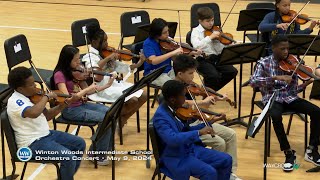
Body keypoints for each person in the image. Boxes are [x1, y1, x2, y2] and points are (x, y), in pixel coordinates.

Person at [250, 35, 320, 172]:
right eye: (282, 49)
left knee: (317, 111)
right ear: (273, 48)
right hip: (272, 98)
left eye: (287, 48)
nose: (286, 52)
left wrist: (306, 83)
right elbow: (253, 82)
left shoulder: (293, 62)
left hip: (290, 97)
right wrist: (275, 78)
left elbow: (295, 89)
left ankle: (312, 149)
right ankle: (288, 152)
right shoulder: (263, 63)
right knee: (275, 116)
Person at [7, 67, 86, 180]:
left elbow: (47, 116)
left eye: (34, 82)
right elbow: (34, 113)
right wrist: (46, 97)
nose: (35, 86)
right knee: (68, 158)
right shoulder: (15, 101)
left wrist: (65, 104)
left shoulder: (33, 98)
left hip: (46, 135)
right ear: (20, 89)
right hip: (32, 144)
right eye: (31, 85)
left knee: (79, 143)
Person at [173, 54, 240, 180]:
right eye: (190, 73)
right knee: (219, 142)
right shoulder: (172, 88)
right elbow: (182, 104)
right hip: (188, 128)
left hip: (197, 120)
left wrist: (216, 97)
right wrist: (203, 102)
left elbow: (201, 91)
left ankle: (230, 173)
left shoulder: (188, 83)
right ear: (180, 74)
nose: (193, 76)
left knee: (231, 134)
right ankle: (216, 175)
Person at [153, 80, 232, 180]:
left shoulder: (174, 108)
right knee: (210, 172)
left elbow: (186, 130)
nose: (185, 99)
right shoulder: (161, 117)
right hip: (175, 156)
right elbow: (172, 139)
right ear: (173, 99)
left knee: (226, 159)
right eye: (183, 96)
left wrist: (210, 122)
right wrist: (199, 132)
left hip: (189, 149)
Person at [51, 45, 114, 166]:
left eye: (79, 58)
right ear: (67, 61)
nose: (79, 62)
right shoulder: (59, 75)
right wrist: (85, 91)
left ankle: (101, 148)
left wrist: (105, 86)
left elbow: (88, 90)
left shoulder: (76, 72)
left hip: (81, 105)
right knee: (106, 118)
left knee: (111, 112)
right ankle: (96, 153)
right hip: (70, 110)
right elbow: (67, 99)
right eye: (76, 60)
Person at [82, 22, 147, 128]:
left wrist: (139, 63)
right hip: (102, 89)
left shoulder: (105, 53)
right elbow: (94, 70)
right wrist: (108, 58)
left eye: (106, 40)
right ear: (94, 42)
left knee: (144, 95)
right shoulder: (89, 57)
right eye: (103, 42)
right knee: (133, 100)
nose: (106, 44)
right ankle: (111, 119)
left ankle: (122, 118)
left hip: (116, 85)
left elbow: (124, 67)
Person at [190, 7, 238, 91]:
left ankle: (210, 91)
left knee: (232, 71)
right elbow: (196, 46)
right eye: (208, 21)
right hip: (202, 59)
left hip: (217, 58)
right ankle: (209, 93)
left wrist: (228, 46)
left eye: (212, 20)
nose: (211, 23)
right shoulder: (195, 32)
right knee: (213, 76)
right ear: (200, 21)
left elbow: (220, 49)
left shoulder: (216, 30)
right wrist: (210, 37)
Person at [143, 18, 201, 87]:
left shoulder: (166, 41)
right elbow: (153, 60)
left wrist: (190, 53)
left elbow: (174, 58)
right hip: (155, 74)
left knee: (185, 78)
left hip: (169, 70)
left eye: (168, 31)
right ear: (156, 34)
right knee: (174, 86)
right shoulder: (148, 43)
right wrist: (173, 53)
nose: (168, 34)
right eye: (164, 33)